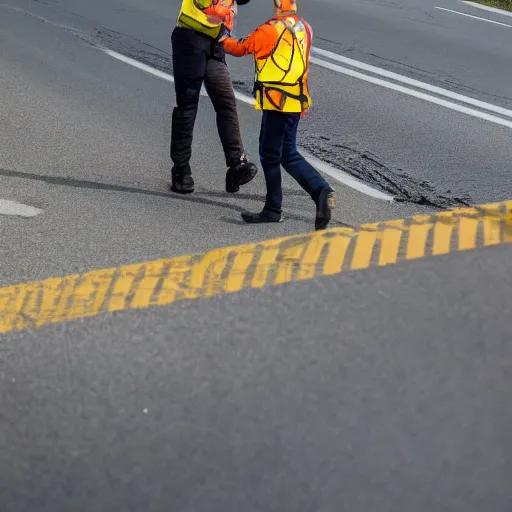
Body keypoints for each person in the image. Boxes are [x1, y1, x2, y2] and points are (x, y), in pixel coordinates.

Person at [222, 0, 336, 230]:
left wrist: (222, 38)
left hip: (276, 102)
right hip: (295, 100)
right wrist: (303, 100)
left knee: (271, 155)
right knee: (287, 153)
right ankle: (320, 193)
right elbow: (303, 66)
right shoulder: (304, 27)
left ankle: (278, 207)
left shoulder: (270, 29)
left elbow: (240, 48)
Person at [170, 0, 258, 194]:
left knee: (226, 101)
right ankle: (181, 170)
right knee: (188, 104)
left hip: (215, 41)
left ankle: (236, 164)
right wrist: (219, 11)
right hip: (190, 36)